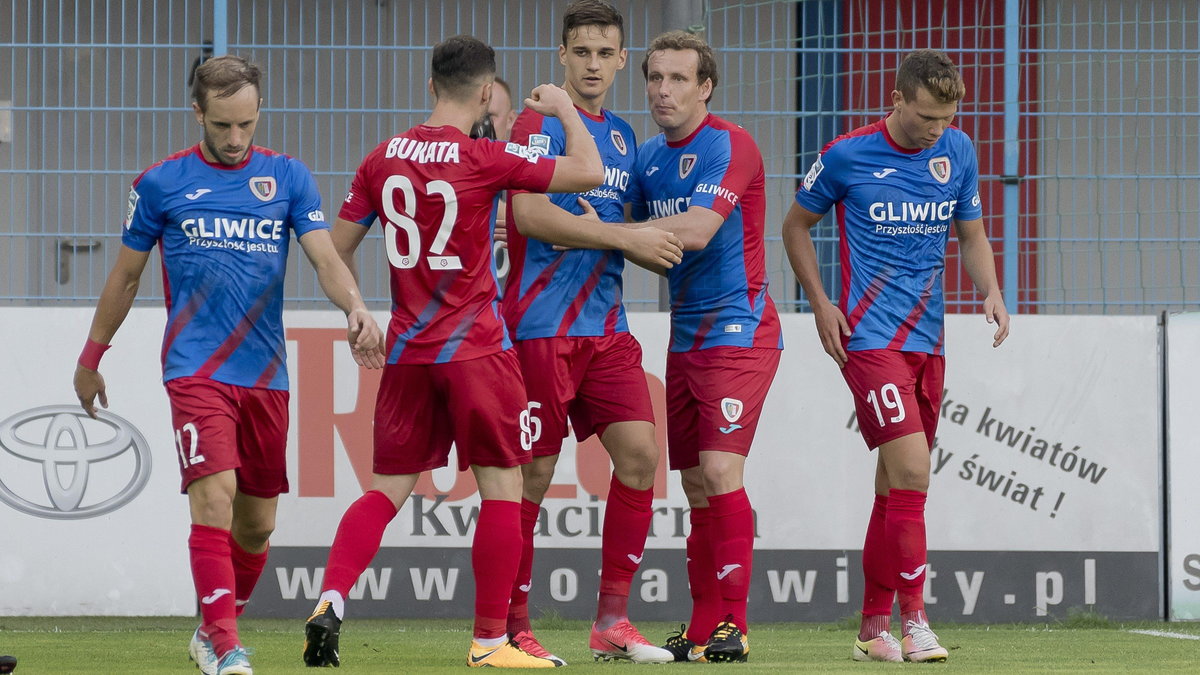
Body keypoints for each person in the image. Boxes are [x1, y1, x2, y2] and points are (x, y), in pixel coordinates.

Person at [72, 54, 384, 675]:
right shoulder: (160, 184)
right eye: (222, 126)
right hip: (195, 370)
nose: (236, 139)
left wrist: (355, 304)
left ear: (258, 112)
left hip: (266, 375)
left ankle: (214, 627)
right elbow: (127, 276)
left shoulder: (289, 178)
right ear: (198, 113)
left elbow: (325, 258)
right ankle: (223, 641)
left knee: (257, 525)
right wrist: (91, 355)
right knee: (213, 495)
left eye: (246, 124)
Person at [300, 35, 605, 669]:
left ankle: (331, 598)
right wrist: (564, 109)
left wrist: (358, 311)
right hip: (475, 352)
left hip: (409, 351)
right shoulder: (485, 157)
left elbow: (336, 247)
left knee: (385, 490)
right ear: (488, 92)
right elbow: (588, 172)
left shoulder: (382, 159)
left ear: (431, 85)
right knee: (502, 487)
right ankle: (490, 642)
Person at [781, 48, 1010, 663]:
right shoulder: (847, 154)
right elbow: (794, 225)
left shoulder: (957, 151)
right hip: (870, 339)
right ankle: (916, 622)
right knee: (912, 471)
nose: (937, 129)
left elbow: (971, 232)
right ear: (897, 101)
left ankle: (870, 629)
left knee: (892, 486)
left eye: (947, 118)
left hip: (927, 342)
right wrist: (821, 302)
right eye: (927, 117)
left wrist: (989, 289)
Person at [502, 0, 683, 665]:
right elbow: (527, 213)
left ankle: (612, 620)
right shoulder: (538, 121)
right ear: (562, 54)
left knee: (640, 456)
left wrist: (639, 236)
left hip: (606, 329)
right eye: (582, 51)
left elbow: (626, 230)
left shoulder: (625, 137)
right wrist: (616, 233)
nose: (594, 65)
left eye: (607, 54)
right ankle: (512, 625)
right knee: (532, 475)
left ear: (620, 60)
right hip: (540, 327)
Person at [628, 30, 782, 664]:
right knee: (694, 484)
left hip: (739, 328)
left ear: (705, 87)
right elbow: (626, 229)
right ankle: (701, 629)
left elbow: (694, 230)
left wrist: (601, 231)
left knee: (720, 472)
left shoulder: (731, 145)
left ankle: (736, 625)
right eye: (656, 78)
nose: (664, 90)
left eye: (679, 79)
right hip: (686, 332)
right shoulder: (646, 159)